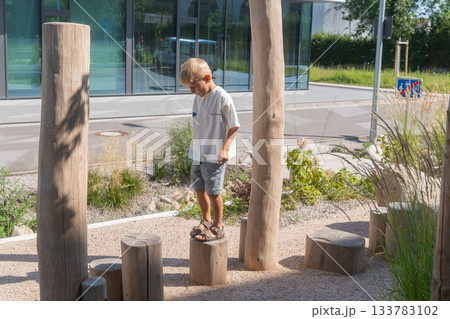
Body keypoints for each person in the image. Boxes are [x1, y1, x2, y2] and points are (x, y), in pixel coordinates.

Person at [180, 58, 240, 241]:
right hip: (198, 152)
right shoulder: (198, 98)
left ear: (207, 78)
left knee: (213, 192)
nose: (191, 91)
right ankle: (206, 220)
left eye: (194, 86)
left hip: (215, 155)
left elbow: (234, 126)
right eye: (189, 88)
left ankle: (218, 226)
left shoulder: (222, 97)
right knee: (199, 188)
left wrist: (225, 150)